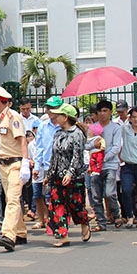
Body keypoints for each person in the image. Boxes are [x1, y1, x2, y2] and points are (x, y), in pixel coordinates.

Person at [0, 82, 30, 252]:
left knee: (12, 200)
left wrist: (25, 163)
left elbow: (22, 141)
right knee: (9, 200)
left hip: (15, 164)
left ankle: (8, 235)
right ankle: (20, 232)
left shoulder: (13, 117)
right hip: (3, 164)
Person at [45, 104, 90, 247]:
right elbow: (54, 156)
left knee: (76, 205)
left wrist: (70, 173)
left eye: (58, 115)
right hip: (57, 176)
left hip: (74, 177)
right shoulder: (58, 133)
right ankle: (62, 235)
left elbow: (77, 157)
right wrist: (50, 174)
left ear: (65, 117)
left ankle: (84, 223)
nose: (55, 117)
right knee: (57, 205)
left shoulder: (77, 134)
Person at [87, 99, 123, 231]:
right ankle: (101, 222)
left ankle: (116, 214)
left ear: (110, 112)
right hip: (96, 167)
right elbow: (87, 145)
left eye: (105, 111)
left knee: (109, 193)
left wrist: (103, 157)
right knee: (96, 196)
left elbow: (116, 147)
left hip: (110, 165)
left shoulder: (115, 128)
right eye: (100, 111)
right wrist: (94, 144)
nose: (102, 114)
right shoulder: (94, 128)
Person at [31, 96, 62, 232]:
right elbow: (40, 148)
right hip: (44, 165)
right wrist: (37, 167)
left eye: (52, 108)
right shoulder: (43, 125)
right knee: (38, 194)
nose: (49, 111)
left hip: (59, 167)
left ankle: (55, 221)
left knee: (54, 197)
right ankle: (42, 219)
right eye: (48, 108)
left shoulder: (64, 126)